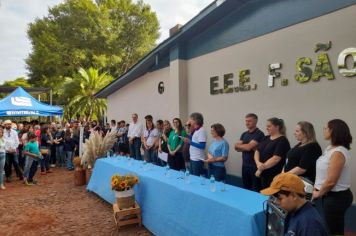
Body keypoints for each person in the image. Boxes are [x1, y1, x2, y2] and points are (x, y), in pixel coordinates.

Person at [313, 119, 353, 235]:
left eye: (326, 128)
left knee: (335, 230)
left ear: (333, 131)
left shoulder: (338, 152)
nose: (324, 130)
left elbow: (331, 181)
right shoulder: (330, 148)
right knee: (330, 227)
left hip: (336, 197)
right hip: (329, 195)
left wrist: (318, 193)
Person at [261, 173, 328, 236]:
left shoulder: (310, 225)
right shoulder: (292, 211)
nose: (276, 202)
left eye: (280, 198)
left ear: (293, 196)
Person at [254, 117, 290, 189]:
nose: (267, 128)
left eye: (269, 126)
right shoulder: (266, 138)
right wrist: (258, 163)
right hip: (261, 173)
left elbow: (276, 159)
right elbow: (257, 151)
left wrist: (261, 168)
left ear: (277, 127)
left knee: (269, 197)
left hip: (273, 176)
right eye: (266, 126)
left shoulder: (282, 141)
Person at [235, 113, 265, 191]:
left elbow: (247, 148)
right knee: (246, 188)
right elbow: (236, 147)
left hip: (255, 166)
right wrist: (247, 146)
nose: (247, 123)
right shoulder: (244, 134)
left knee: (255, 189)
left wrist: (245, 146)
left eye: (249, 121)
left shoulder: (259, 134)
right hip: (244, 165)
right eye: (246, 121)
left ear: (256, 121)